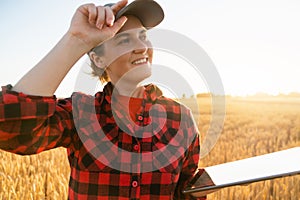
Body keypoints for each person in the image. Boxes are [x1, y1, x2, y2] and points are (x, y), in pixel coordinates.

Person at [0, 0, 206, 199]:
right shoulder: (82, 113)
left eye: (143, 36)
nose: (142, 47)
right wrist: (76, 39)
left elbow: (184, 193)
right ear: (98, 59)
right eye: (124, 40)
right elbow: (10, 130)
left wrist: (200, 190)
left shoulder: (181, 119)